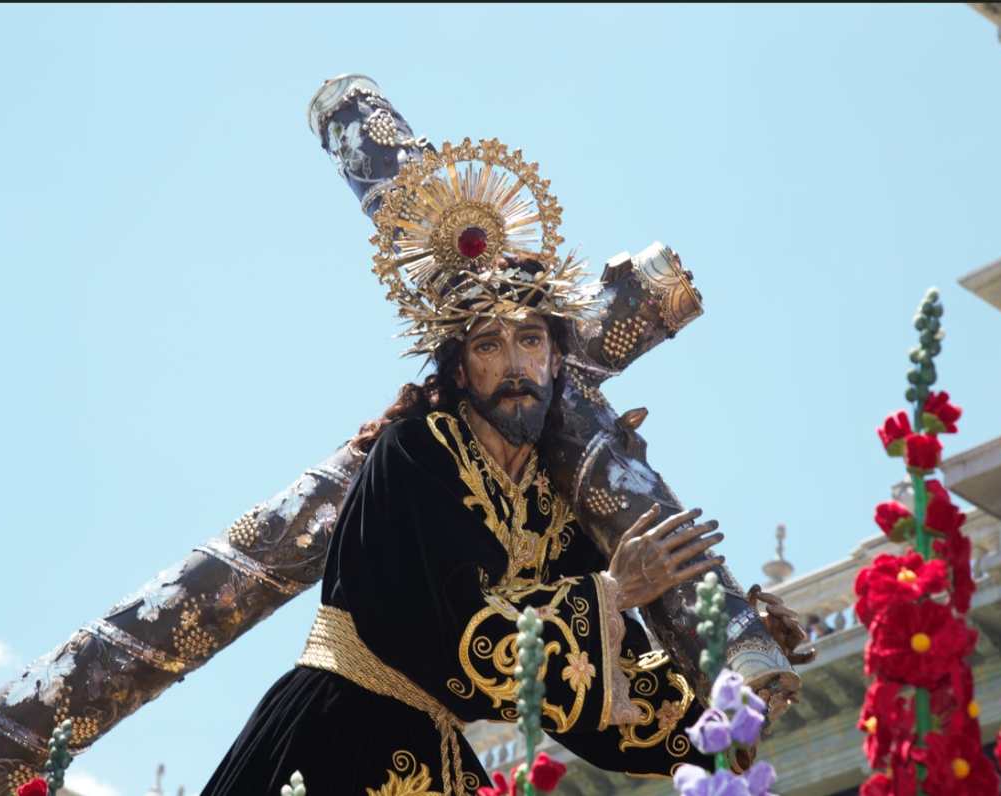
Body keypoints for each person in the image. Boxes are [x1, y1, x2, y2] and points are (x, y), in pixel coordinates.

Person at [202, 261, 727, 795]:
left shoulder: (553, 504)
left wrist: (728, 716)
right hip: (339, 722)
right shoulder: (413, 453)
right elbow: (450, 625)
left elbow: (603, 677)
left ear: (555, 360)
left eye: (529, 340)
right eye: (488, 347)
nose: (515, 365)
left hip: (434, 737)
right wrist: (614, 592)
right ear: (459, 371)